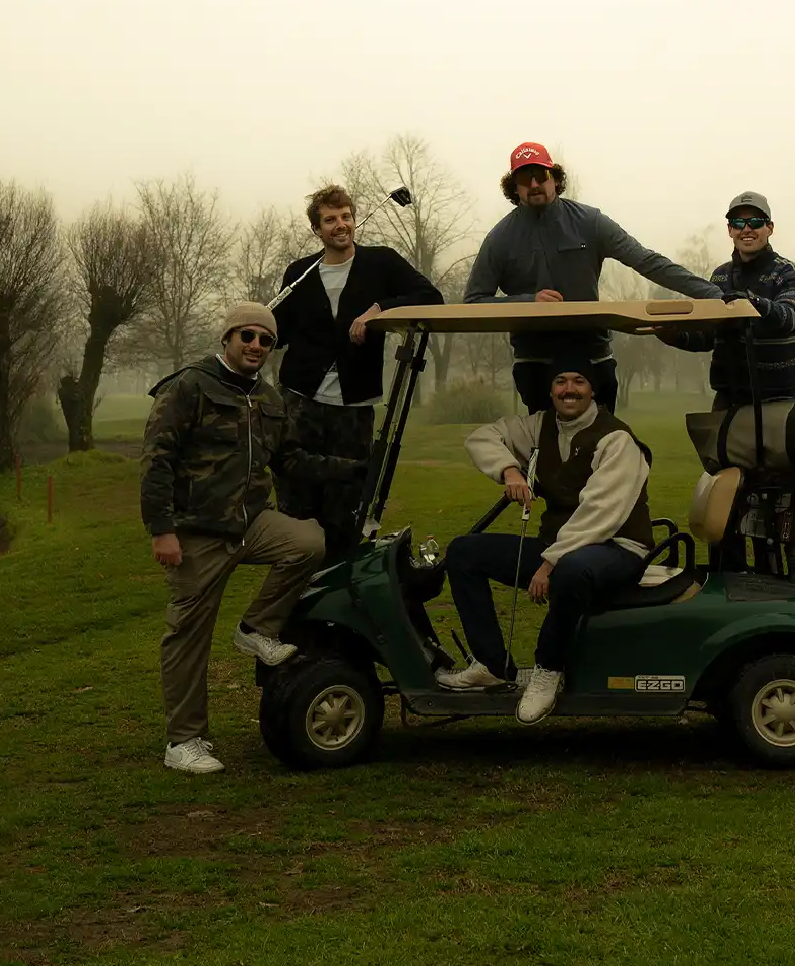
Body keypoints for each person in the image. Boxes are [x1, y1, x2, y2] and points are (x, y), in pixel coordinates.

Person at [141, 302, 364, 774]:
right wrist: (163, 530)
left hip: (251, 523)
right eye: (248, 336)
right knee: (188, 637)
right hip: (197, 532)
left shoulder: (268, 399)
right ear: (227, 338)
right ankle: (184, 741)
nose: (257, 346)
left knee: (307, 543)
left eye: (265, 340)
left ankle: (257, 628)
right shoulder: (190, 387)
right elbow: (157, 460)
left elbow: (291, 461)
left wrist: (355, 468)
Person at [436, 357, 653, 723]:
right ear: (551, 390)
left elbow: (600, 512)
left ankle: (548, 670)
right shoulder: (541, 426)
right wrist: (508, 470)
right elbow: (484, 436)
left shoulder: (617, 439)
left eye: (579, 381)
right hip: (561, 548)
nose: (569, 390)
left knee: (571, 571)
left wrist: (549, 563)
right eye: (561, 381)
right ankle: (491, 664)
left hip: (617, 547)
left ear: (593, 390)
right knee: (464, 552)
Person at [464, 142, 722, 413]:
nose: (533, 184)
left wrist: (715, 295)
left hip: (593, 355)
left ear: (555, 178)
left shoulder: (590, 221)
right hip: (534, 361)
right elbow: (473, 302)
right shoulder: (499, 239)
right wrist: (528, 303)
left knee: (603, 446)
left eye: (540, 175)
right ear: (513, 187)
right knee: (545, 449)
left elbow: (647, 261)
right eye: (523, 178)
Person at [271, 184, 443, 553]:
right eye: (330, 219)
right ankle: (297, 592)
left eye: (346, 216)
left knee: (347, 504)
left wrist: (380, 309)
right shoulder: (300, 272)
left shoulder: (381, 262)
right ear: (317, 230)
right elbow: (278, 333)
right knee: (296, 501)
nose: (341, 225)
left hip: (354, 407)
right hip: (301, 402)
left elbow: (431, 297)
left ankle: (340, 589)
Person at [656, 191, 795, 406]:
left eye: (755, 222)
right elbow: (709, 336)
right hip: (727, 399)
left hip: (779, 399)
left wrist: (749, 304)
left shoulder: (790, 273)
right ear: (730, 230)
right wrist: (671, 334)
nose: (746, 229)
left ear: (770, 228)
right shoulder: (719, 276)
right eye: (738, 223)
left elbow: (787, 316)